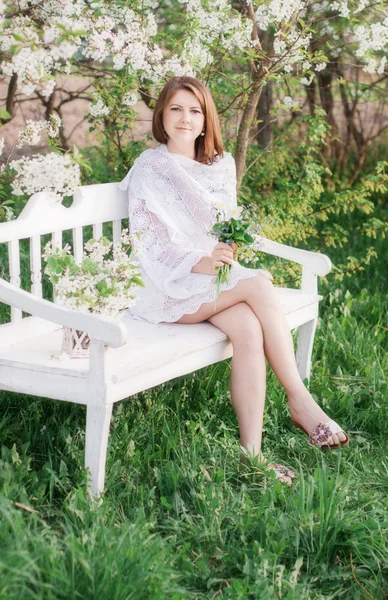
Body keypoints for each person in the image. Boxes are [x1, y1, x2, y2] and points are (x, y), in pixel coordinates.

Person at [119, 75, 349, 486]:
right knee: (259, 285)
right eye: (176, 109)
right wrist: (203, 261)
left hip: (213, 280)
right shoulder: (149, 169)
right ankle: (300, 400)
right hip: (170, 285)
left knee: (247, 328)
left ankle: (252, 457)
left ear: (206, 120)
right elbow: (150, 246)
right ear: (161, 115)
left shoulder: (218, 166)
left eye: (194, 111)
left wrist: (226, 252)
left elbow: (226, 228)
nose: (185, 119)